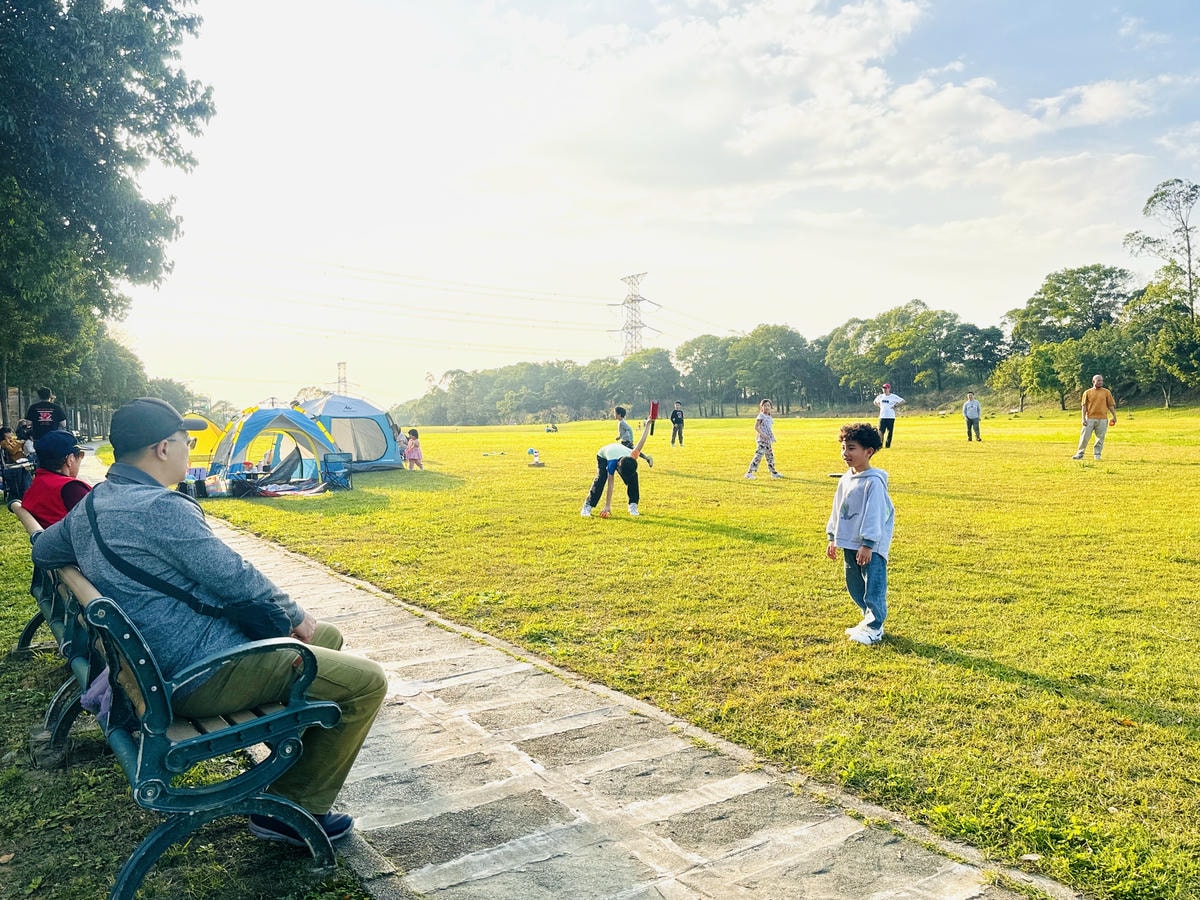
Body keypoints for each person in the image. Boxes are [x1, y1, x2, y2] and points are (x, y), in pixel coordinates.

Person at [31, 397, 386, 847]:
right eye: (187, 441)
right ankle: (291, 809)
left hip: (154, 667)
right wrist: (296, 615)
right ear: (163, 448)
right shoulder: (160, 507)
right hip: (198, 674)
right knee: (366, 682)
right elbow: (236, 578)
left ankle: (292, 762)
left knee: (328, 638)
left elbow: (45, 551)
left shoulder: (94, 503)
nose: (190, 450)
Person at [825, 422, 895, 646]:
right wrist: (832, 536)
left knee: (873, 584)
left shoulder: (874, 482)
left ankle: (875, 627)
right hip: (848, 541)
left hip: (869, 545)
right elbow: (837, 508)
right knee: (855, 584)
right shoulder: (846, 478)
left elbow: (875, 514)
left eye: (851, 448)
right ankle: (867, 618)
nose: (845, 453)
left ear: (868, 451)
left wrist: (868, 544)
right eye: (843, 448)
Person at [582, 417, 652, 518]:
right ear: (618, 466)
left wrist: (648, 424)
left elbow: (642, 441)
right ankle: (587, 506)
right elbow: (610, 484)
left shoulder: (632, 455)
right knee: (601, 478)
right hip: (603, 455)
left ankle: (633, 505)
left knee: (633, 477)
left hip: (619, 452)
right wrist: (607, 506)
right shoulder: (612, 463)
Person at [21, 430, 92, 526]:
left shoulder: (36, 485)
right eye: (80, 455)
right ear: (70, 459)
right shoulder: (72, 489)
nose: (80, 460)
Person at [1072, 374, 1117, 460]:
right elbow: (1084, 406)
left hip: (1102, 419)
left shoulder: (1106, 392)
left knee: (1100, 438)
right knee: (1084, 437)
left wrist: (1114, 416)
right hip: (1089, 418)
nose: (1101, 382)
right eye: (1098, 380)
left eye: (1101, 380)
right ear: (1093, 381)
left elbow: (1110, 405)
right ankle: (1080, 453)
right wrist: (1083, 418)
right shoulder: (1087, 392)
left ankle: (1097, 454)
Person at [744, 399, 782, 479]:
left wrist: (769, 437)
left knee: (770, 456)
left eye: (768, 405)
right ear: (761, 407)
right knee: (758, 456)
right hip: (761, 440)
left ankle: (773, 473)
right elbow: (756, 427)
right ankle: (749, 473)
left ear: (771, 407)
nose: (766, 407)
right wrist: (763, 435)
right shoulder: (761, 416)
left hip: (768, 440)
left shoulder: (769, 417)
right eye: (764, 406)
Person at [872, 383, 904, 448]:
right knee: (881, 431)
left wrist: (895, 405)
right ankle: (880, 445)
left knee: (889, 432)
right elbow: (875, 402)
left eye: (886, 388)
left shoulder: (893, 396)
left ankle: (888, 445)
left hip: (890, 417)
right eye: (883, 388)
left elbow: (903, 401)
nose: (884, 389)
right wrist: (879, 406)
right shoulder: (880, 396)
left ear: (889, 389)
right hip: (882, 416)